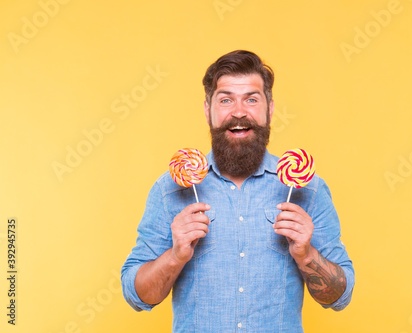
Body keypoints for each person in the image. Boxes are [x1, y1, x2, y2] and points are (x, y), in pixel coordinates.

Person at [121, 50, 355, 332]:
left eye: (252, 99)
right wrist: (176, 255)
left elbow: (340, 297)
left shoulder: (308, 189)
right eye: (226, 100)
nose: (239, 112)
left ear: (270, 108)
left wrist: (307, 255)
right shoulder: (170, 189)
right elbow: (138, 296)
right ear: (207, 109)